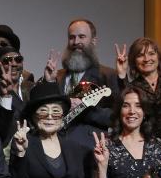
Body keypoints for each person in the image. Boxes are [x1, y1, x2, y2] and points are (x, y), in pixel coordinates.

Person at [42, 19, 120, 148]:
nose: (76, 42)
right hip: (55, 147)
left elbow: (117, 116)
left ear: (93, 41)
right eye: (72, 37)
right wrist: (48, 82)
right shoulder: (57, 75)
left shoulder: (108, 75)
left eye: (81, 37)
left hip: (89, 150)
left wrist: (86, 109)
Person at [116, 37, 161, 146]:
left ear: (158, 56)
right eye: (140, 55)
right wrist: (122, 74)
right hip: (145, 149)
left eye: (151, 53)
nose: (146, 59)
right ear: (134, 61)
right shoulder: (132, 87)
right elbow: (123, 112)